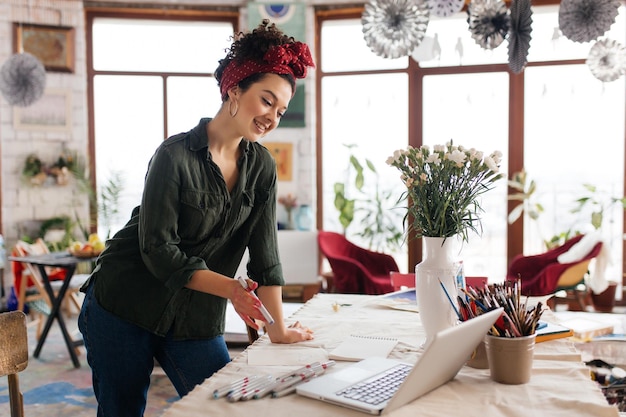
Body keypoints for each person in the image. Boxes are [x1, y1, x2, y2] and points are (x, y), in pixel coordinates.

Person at [78, 20, 316, 417]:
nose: (273, 117)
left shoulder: (262, 168)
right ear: (235, 90)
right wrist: (232, 290)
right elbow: (158, 251)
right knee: (122, 410)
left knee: (227, 408)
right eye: (266, 100)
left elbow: (266, 257)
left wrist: (278, 328)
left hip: (195, 318)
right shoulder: (173, 156)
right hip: (123, 304)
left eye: (281, 109)